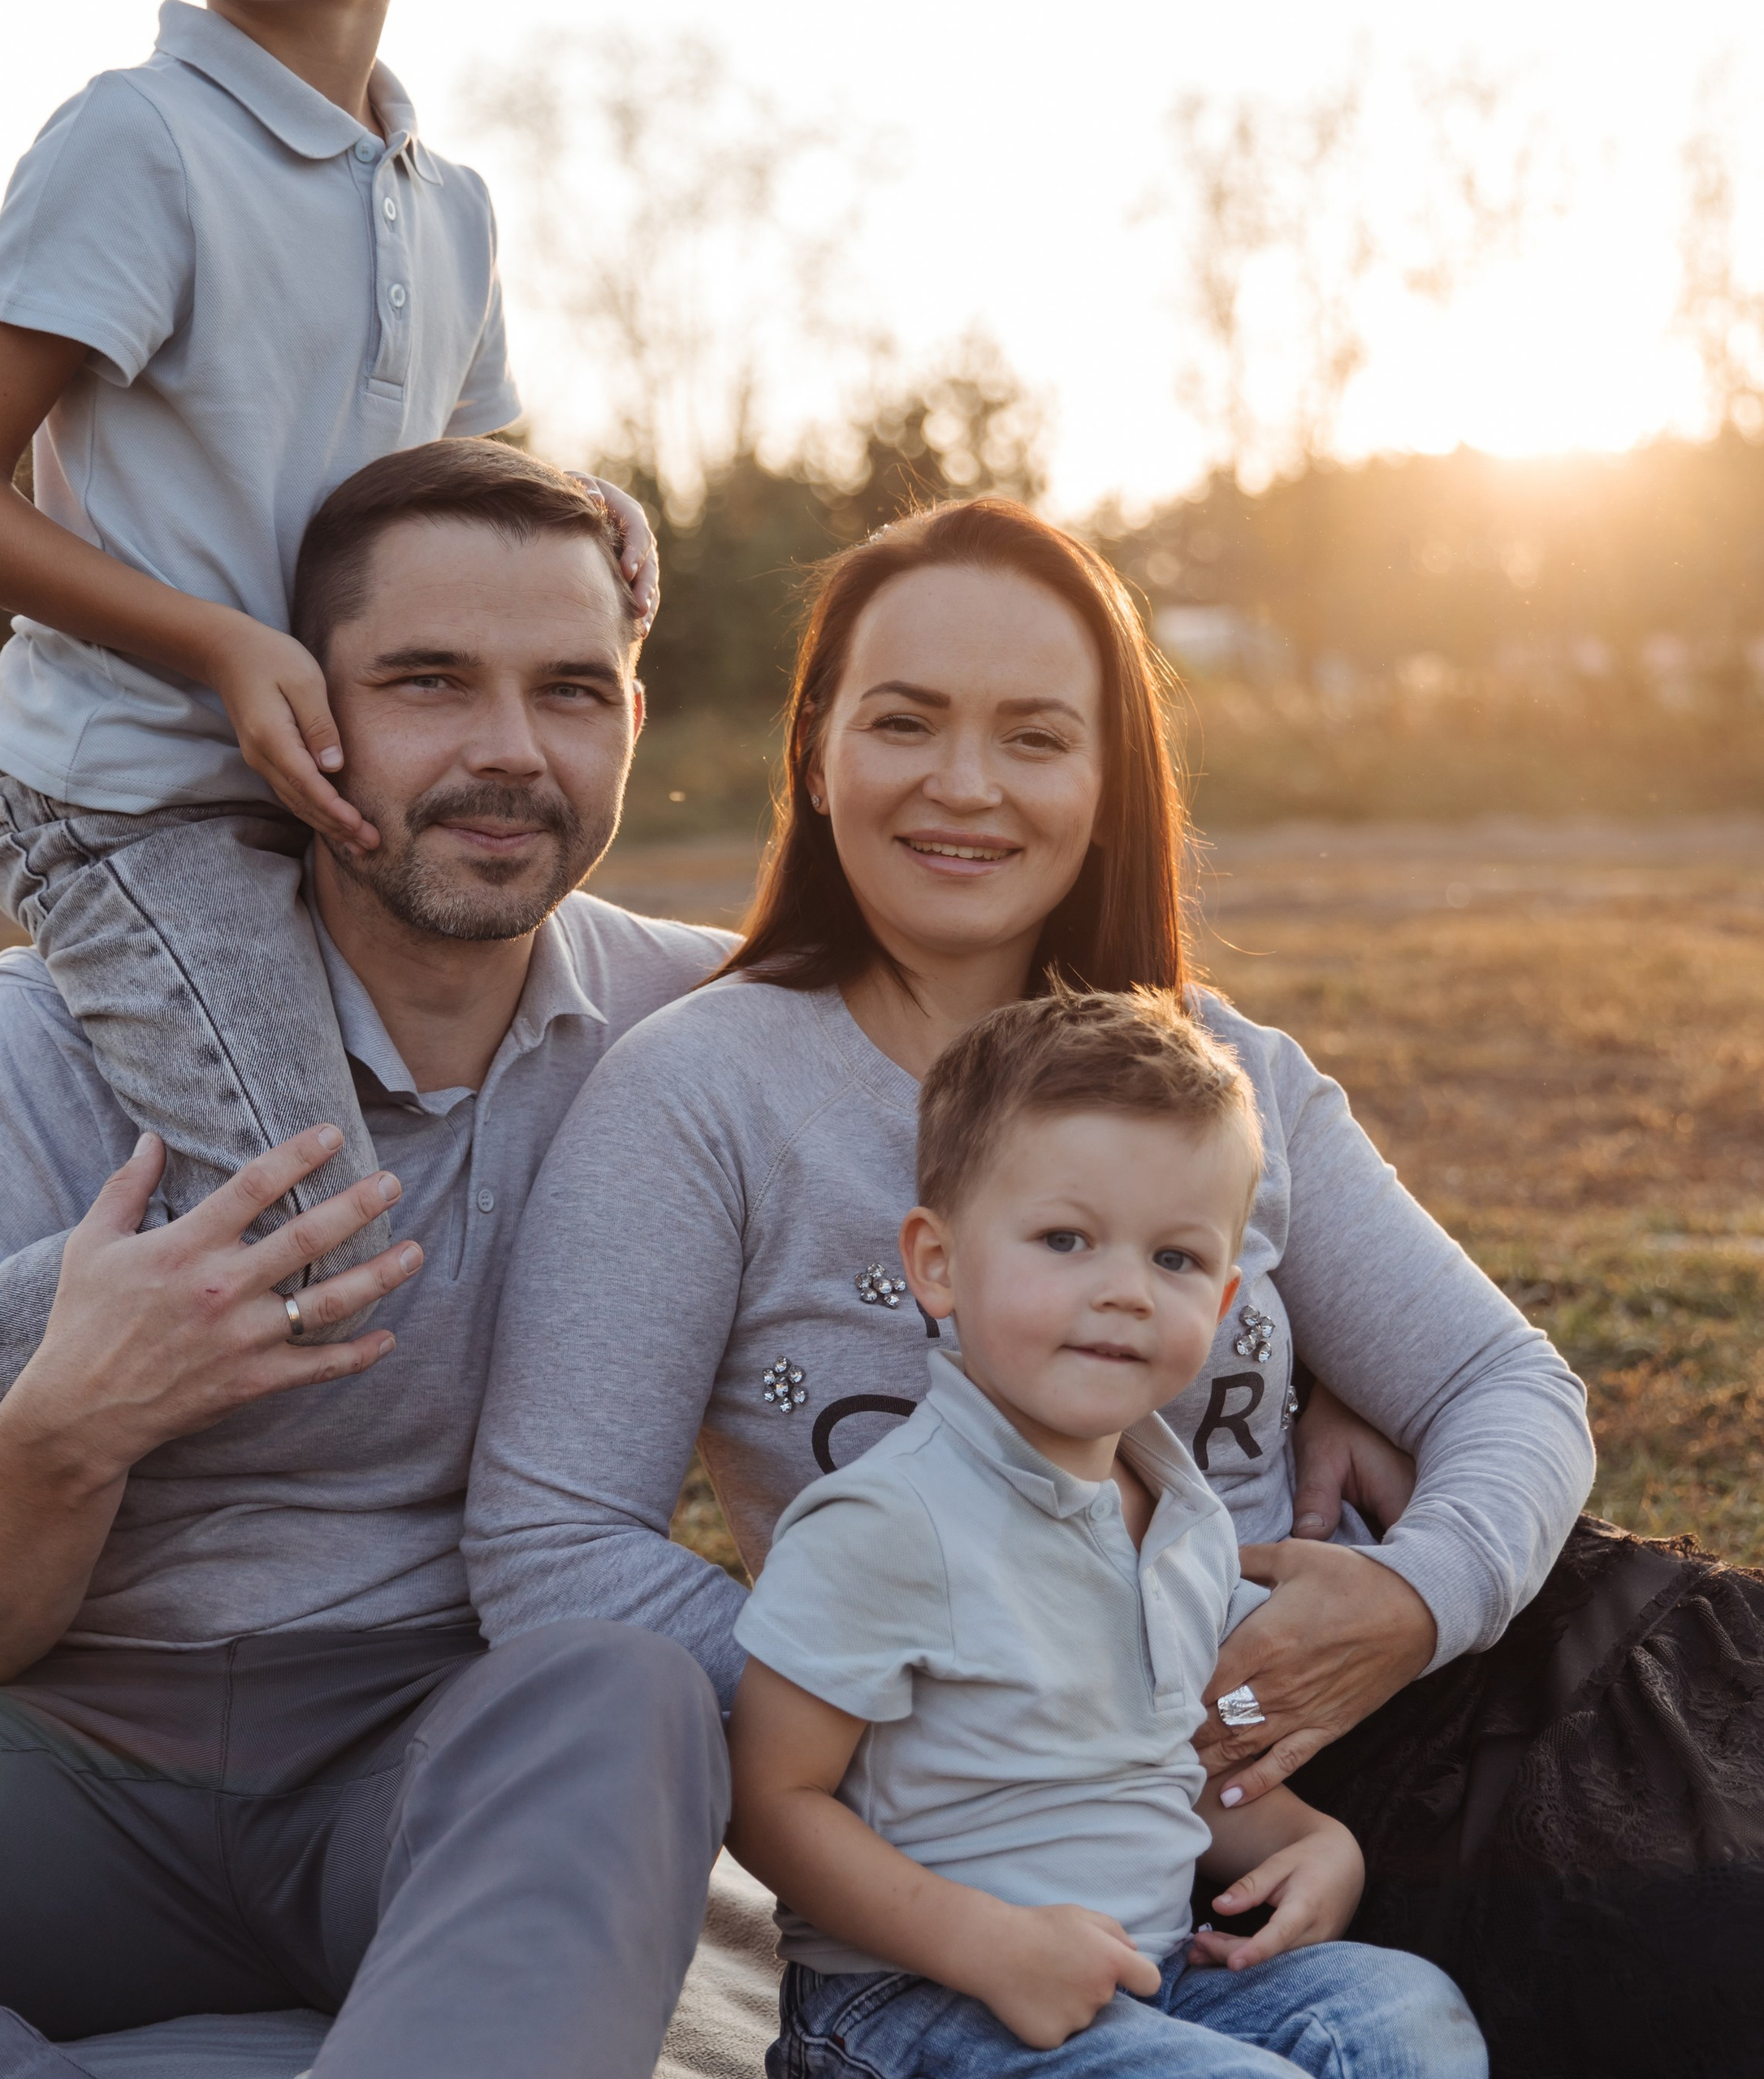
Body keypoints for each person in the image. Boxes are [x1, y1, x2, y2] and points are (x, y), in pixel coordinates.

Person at [466, 496, 1764, 2078]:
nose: (963, 781)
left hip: (1387, 1760)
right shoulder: (703, 1095)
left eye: (1031, 735)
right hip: (996, 1886)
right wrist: (947, 1683)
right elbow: (547, 1543)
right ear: (814, 748)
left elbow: (1505, 1390)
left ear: (1105, 781)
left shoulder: (1220, 1078)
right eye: (904, 720)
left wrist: (1411, 1596)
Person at [0, 444, 729, 2079]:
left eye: (573, 691)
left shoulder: (709, 1038)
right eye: (427, 682)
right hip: (52, 1777)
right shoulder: (43, 1038)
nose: (510, 750)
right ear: (297, 708)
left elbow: (1089, 1073)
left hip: (434, 1782)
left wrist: (1296, 1392)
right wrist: (69, 1423)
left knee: (624, 1690)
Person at [0, 0, 659, 1653]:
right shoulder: (136, 143)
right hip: (125, 792)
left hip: (293, 795)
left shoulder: (450, 202)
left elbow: (432, 488)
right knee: (300, 1243)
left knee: (304, 1235)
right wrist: (218, 645)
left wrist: (580, 507)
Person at [728, 986, 1485, 2079]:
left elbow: (1169, 1758)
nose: (1125, 1292)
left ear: (1223, 1305)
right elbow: (770, 1802)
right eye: (1066, 1240)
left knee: (1402, 2012)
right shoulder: (890, 1523)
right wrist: (983, 1945)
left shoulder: (1180, 1520)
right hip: (915, 2000)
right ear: (937, 1264)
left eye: (1174, 1260)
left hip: (1148, 1974)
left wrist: (1312, 1841)